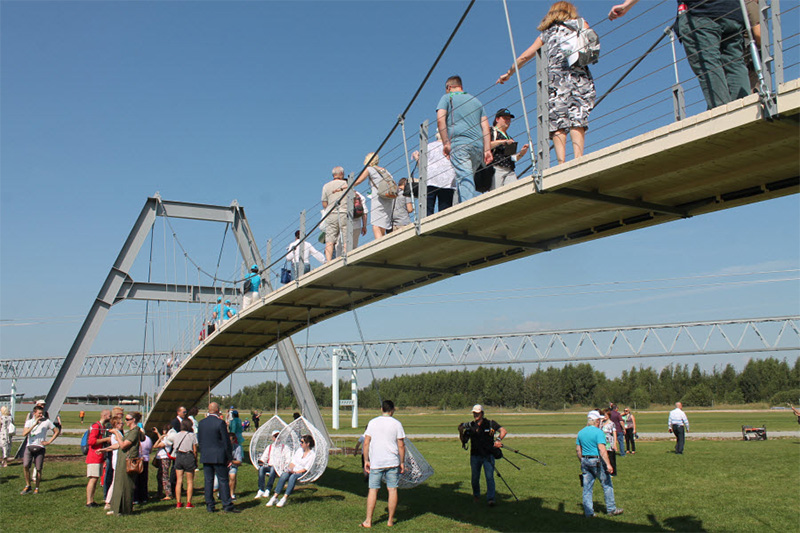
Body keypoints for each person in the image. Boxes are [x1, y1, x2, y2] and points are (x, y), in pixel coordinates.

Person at [497, 2, 596, 165]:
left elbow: (525, 57)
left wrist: (509, 73)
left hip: (556, 82)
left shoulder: (546, 34)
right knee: (577, 117)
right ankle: (578, 159)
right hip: (579, 77)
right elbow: (592, 41)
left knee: (558, 121)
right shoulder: (580, 23)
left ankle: (561, 163)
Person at [608, 0, 749, 110]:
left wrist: (627, 5)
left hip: (701, 11)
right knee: (735, 63)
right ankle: (745, 107)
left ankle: (722, 112)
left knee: (709, 64)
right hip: (733, 12)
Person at [436, 76, 493, 203]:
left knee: (465, 178)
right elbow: (485, 127)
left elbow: (440, 120)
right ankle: (463, 204)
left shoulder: (447, 97)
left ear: (449, 87)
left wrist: (446, 143)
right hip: (478, 147)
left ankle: (469, 207)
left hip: (460, 144)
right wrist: (487, 150)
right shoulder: (476, 101)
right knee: (465, 179)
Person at [361, 400, 406, 528]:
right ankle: (390, 520)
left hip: (376, 462)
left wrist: (366, 460)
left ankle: (368, 521)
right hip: (392, 461)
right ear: (392, 410)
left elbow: (366, 442)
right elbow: (401, 445)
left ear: (381, 409)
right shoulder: (397, 424)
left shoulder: (372, 422)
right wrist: (402, 462)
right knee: (392, 490)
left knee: (373, 490)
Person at [576, 410, 622, 517]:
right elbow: (602, 450)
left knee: (587, 488)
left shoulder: (581, 432)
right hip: (597, 461)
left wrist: (582, 460)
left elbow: (578, 450)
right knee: (607, 484)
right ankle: (611, 509)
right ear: (597, 421)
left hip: (585, 460)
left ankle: (588, 512)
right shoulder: (599, 432)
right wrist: (608, 464)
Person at [197, 403, 237, 513]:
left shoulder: (201, 423)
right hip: (219, 456)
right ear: (218, 410)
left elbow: (200, 439)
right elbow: (226, 441)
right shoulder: (220, 423)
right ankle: (227, 504)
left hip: (206, 455)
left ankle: (210, 505)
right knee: (223, 480)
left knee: (208, 481)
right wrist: (229, 457)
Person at [105, 411, 144, 516]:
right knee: (118, 484)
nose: (125, 421)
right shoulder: (130, 431)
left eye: (127, 419)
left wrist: (116, 433)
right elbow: (119, 444)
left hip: (128, 461)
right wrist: (105, 449)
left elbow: (123, 445)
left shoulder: (134, 432)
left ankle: (125, 509)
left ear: (133, 420)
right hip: (121, 460)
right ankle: (115, 508)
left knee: (126, 485)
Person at [467, 404, 507, 506]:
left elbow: (503, 431)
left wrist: (498, 440)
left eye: (477, 413)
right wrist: (460, 431)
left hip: (488, 455)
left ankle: (491, 499)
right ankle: (476, 496)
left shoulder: (490, 423)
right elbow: (464, 440)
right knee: (475, 478)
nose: (475, 415)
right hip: (475, 455)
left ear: (482, 413)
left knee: (489, 477)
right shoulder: (471, 425)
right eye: (474, 413)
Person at [266, 434, 316, 508]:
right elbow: (293, 462)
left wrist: (295, 472)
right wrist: (289, 469)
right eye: (300, 441)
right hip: (294, 470)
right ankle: (275, 497)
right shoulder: (299, 451)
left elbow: (306, 469)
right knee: (284, 475)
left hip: (303, 473)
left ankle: (284, 498)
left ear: (307, 444)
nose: (300, 443)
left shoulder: (312, 455)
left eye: (302, 442)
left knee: (293, 477)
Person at [412, 132, 457, 214]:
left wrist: (417, 158)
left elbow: (422, 166)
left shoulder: (428, 146)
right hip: (448, 179)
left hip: (431, 179)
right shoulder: (452, 147)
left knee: (428, 209)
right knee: (445, 210)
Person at [21, 404, 60, 495]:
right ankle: (28, 485)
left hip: (40, 448)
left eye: (42, 413)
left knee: (38, 468)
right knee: (26, 465)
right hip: (29, 446)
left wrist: (49, 441)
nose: (41, 415)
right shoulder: (29, 422)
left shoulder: (47, 422)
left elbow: (56, 431)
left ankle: (37, 488)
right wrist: (34, 424)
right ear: (34, 413)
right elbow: (24, 434)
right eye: (39, 413)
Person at [354, 153, 396, 239]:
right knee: (383, 224)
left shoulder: (370, 169)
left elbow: (358, 181)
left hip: (378, 199)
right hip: (388, 198)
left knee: (376, 224)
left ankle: (380, 243)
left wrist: (346, 186)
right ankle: (383, 240)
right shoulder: (385, 170)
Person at [489, 108, 529, 190]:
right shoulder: (491, 131)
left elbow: (512, 158)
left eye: (509, 119)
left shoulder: (509, 138)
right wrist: (502, 142)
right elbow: (486, 146)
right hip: (496, 168)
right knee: (496, 194)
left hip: (510, 170)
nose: (507, 121)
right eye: (505, 118)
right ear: (497, 119)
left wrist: (521, 154)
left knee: (514, 191)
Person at [321, 165, 350, 262]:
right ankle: (346, 255)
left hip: (331, 214)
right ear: (341, 174)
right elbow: (352, 198)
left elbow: (324, 203)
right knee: (345, 236)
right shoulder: (346, 184)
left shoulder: (326, 186)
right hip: (344, 212)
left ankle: (328, 260)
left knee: (330, 239)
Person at [86, 409, 111, 507]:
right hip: (94, 457)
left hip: (99, 456)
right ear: (104, 416)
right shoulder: (96, 426)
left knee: (95, 479)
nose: (110, 418)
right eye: (109, 416)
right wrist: (105, 439)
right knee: (93, 479)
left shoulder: (102, 427)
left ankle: (91, 500)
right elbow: (91, 441)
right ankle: (89, 501)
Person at [172, 418, 198, 508]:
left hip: (179, 456)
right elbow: (195, 449)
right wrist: (195, 459)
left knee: (179, 481)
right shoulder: (192, 435)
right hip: (188, 456)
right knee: (189, 481)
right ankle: (189, 502)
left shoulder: (177, 435)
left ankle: (178, 502)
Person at [152, 424, 175, 500]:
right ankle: (160, 493)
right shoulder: (166, 438)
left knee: (164, 476)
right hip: (161, 458)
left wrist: (159, 438)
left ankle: (168, 493)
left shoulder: (167, 440)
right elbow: (163, 440)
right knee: (159, 476)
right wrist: (158, 434)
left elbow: (155, 446)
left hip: (164, 458)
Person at [256, 430, 281, 500]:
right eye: (275, 437)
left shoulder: (284, 447)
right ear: (273, 438)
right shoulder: (270, 447)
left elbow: (288, 459)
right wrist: (261, 462)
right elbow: (264, 457)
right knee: (261, 469)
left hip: (279, 467)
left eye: (278, 437)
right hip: (270, 466)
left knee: (273, 469)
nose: (277, 438)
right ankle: (261, 489)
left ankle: (268, 489)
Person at [135, 429, 153, 505]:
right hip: (145, 460)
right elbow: (150, 450)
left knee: (136, 480)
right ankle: (144, 497)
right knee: (144, 479)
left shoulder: (136, 438)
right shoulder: (148, 439)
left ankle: (136, 498)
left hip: (137, 460)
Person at [600, 408, 618, 476]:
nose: (604, 416)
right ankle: (604, 471)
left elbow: (614, 434)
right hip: (602, 443)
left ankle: (613, 472)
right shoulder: (601, 423)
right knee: (603, 457)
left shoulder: (611, 424)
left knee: (611, 458)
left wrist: (614, 444)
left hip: (609, 443)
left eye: (605, 415)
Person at [228, 432, 243, 500]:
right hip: (223, 466)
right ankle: (222, 492)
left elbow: (239, 461)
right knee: (215, 488)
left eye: (230, 440)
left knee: (233, 476)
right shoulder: (221, 447)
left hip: (233, 465)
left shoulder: (238, 448)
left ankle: (232, 494)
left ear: (234, 440)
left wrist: (231, 461)